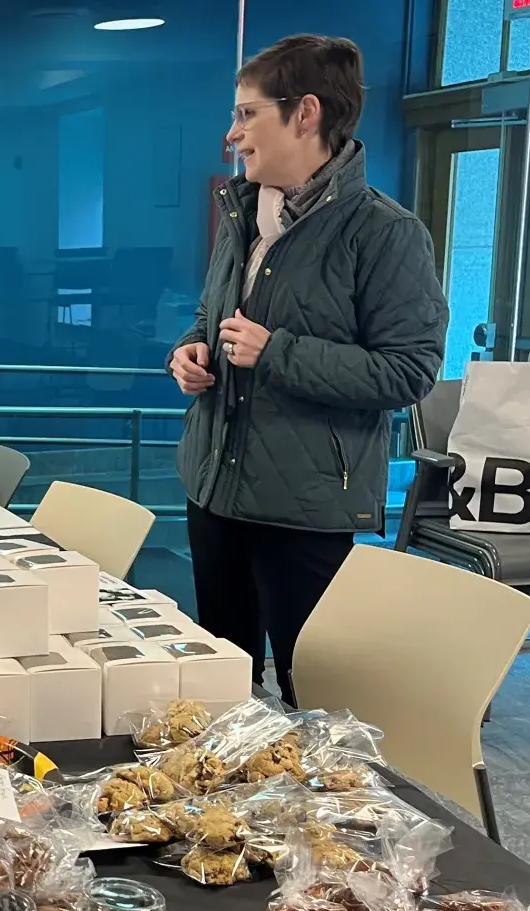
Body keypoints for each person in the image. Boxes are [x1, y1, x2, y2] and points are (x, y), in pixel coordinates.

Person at [170, 34, 447, 704]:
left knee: (312, 701)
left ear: (306, 114)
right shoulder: (242, 215)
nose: (233, 134)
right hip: (214, 488)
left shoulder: (385, 232)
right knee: (220, 688)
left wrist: (278, 353)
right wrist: (190, 352)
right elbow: (214, 321)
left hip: (305, 508)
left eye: (247, 114)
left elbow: (410, 372)